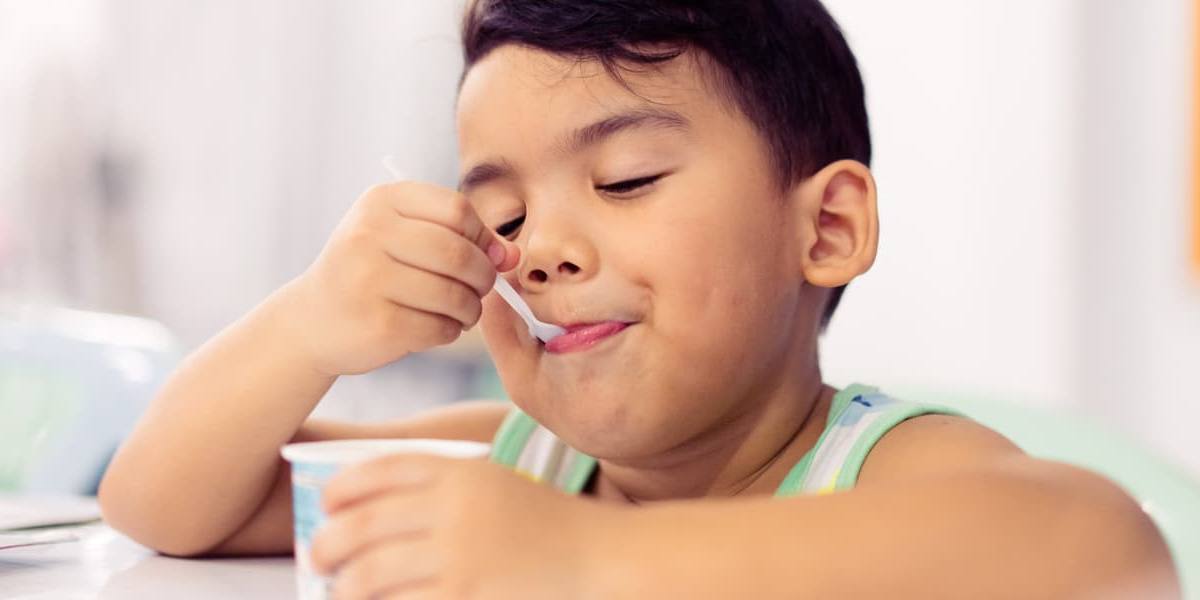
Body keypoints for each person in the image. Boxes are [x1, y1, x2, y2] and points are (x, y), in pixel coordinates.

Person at [99, 1, 1180, 597]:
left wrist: (583, 562)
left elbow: (1102, 543)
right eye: (506, 217)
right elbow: (164, 509)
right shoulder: (521, 465)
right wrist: (306, 323)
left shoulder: (868, 473)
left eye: (624, 182)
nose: (542, 251)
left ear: (828, 228)